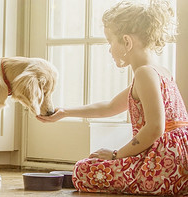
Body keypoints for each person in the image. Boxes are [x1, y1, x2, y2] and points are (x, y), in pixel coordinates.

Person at [37, 0, 188, 195]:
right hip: (178, 162)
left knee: (83, 170)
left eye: (110, 41)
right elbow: (109, 106)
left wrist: (116, 155)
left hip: (164, 165)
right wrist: (64, 112)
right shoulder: (160, 72)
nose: (109, 49)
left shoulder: (144, 74)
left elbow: (154, 128)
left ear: (126, 41)